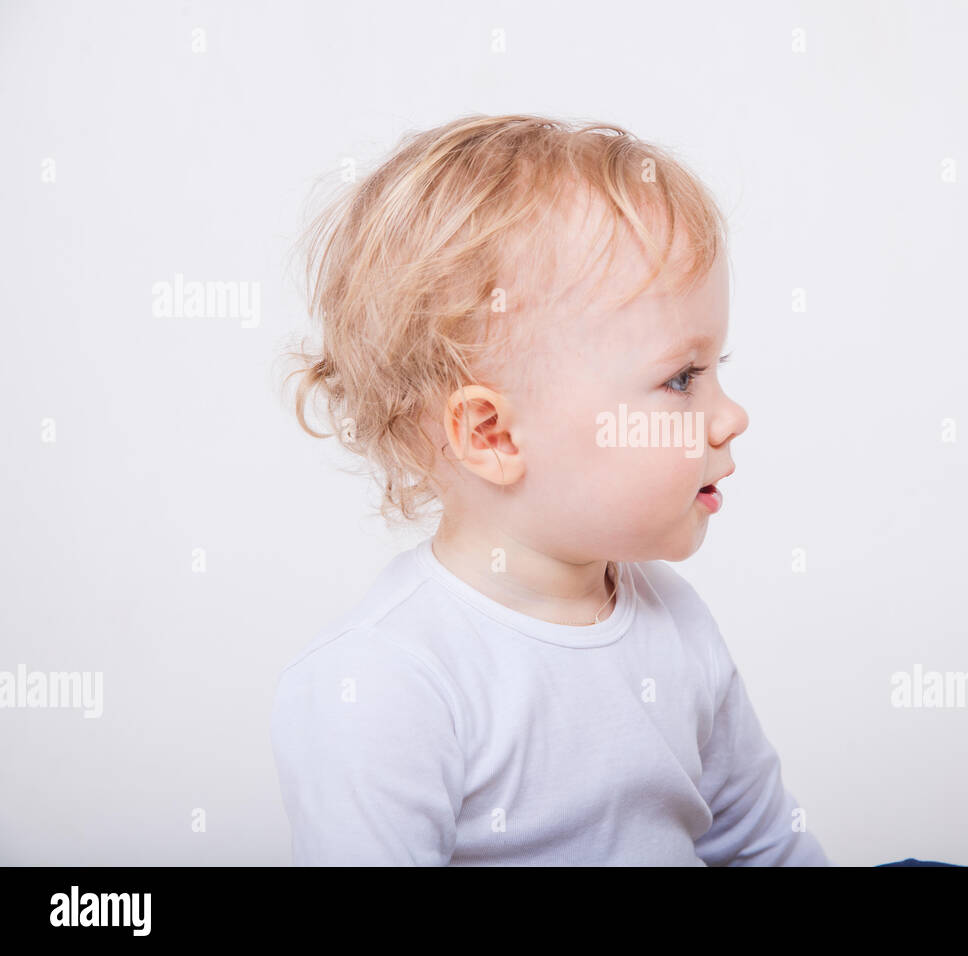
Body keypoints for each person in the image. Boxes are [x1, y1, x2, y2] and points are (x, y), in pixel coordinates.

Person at [271, 114, 831, 865]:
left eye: (715, 368)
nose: (730, 417)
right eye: (681, 379)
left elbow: (764, 846)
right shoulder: (386, 684)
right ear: (494, 436)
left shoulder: (677, 623)